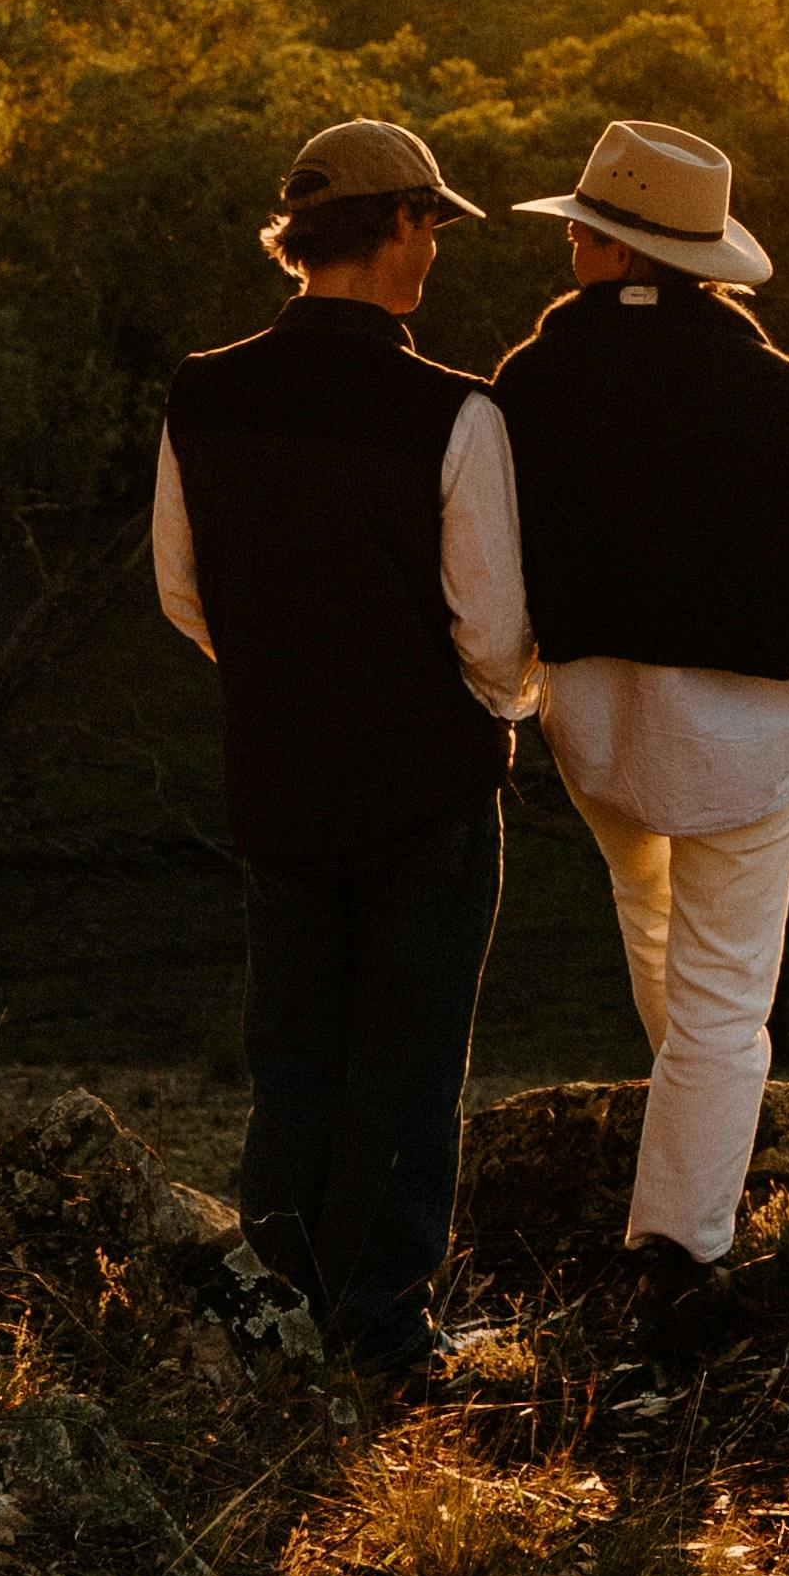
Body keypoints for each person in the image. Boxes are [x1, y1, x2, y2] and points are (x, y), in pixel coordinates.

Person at [148, 118, 532, 1386]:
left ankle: (273, 1323)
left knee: (293, 1052)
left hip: (276, 769)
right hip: (424, 781)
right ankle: (380, 1331)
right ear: (400, 228)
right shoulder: (453, 413)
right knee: (407, 1060)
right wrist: (501, 710)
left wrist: (282, 673)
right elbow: (493, 632)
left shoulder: (203, 391)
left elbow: (183, 592)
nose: (436, 253)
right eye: (433, 226)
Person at [495, 117, 789, 1310]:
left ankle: (685, 1153)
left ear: (613, 252)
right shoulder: (780, 395)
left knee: (654, 932)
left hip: (601, 731)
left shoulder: (526, 382)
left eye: (581, 229)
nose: (568, 242)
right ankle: (679, 1244)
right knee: (725, 997)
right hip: (745, 737)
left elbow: (494, 556)